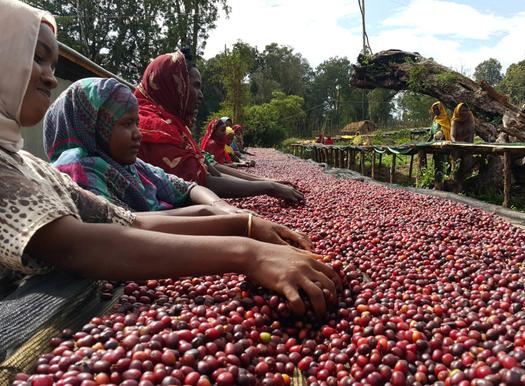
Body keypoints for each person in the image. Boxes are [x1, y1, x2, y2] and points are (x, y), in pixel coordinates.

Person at [0, 0, 338, 315]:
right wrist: (247, 253)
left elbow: (127, 221)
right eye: (37, 57)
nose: (48, 75)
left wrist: (244, 224)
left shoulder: (30, 166)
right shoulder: (65, 167)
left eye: (53, 63)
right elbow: (77, 246)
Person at [43, 77, 241, 216]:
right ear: (95, 126)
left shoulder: (133, 167)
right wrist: (208, 213)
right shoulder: (77, 170)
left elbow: (186, 187)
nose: (139, 134)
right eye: (127, 124)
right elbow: (125, 224)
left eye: (137, 124)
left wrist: (219, 205)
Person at [134, 51, 303, 203]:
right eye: (195, 86)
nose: (200, 95)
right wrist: (268, 187)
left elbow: (212, 171)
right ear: (175, 85)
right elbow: (203, 181)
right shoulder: (153, 127)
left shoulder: (175, 127)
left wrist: (265, 182)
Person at [450, 103, 476, 191]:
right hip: (457, 145)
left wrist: (469, 147)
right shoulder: (455, 120)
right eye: (462, 110)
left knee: (467, 161)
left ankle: (465, 184)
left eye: (466, 110)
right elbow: (452, 136)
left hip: (467, 144)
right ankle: (454, 183)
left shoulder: (470, 118)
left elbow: (471, 135)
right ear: (458, 111)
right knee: (456, 163)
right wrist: (456, 144)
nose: (464, 112)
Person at [429, 101, 452, 187]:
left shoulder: (446, 118)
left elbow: (448, 131)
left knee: (445, 161)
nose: (435, 111)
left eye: (437, 109)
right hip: (435, 144)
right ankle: (437, 179)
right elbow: (432, 132)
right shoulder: (435, 119)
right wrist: (428, 141)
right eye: (434, 109)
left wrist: (442, 136)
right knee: (437, 161)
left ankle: (446, 180)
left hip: (444, 144)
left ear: (441, 109)